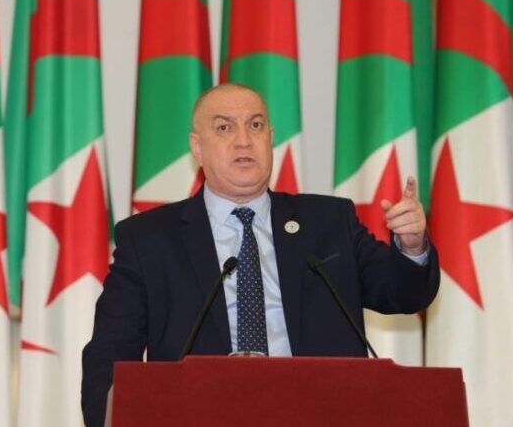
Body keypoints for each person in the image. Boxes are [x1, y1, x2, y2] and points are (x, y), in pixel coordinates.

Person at [81, 83, 440, 426]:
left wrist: (412, 246)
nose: (243, 140)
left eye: (255, 125)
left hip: (323, 415)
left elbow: (403, 294)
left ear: (270, 138)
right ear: (197, 147)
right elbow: (108, 355)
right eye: (224, 127)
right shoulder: (149, 240)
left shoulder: (329, 223)